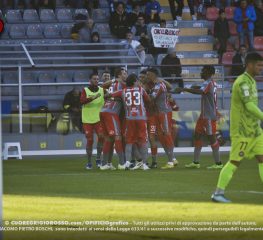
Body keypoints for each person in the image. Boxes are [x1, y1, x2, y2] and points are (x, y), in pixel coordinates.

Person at [211, 52, 263, 203]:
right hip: (242, 131)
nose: (261, 68)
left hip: (255, 131)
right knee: (235, 161)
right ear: (250, 65)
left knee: (262, 159)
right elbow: (250, 106)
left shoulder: (252, 81)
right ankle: (218, 193)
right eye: (259, 65)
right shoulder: (242, 82)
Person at [175, 65, 223, 170]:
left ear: (208, 72)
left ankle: (218, 163)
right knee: (197, 135)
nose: (201, 72)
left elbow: (201, 92)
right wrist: (195, 87)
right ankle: (196, 162)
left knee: (211, 138)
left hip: (209, 115)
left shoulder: (208, 83)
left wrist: (184, 88)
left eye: (203, 71)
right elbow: (202, 89)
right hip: (204, 115)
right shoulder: (211, 83)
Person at [110, 73, 151, 170]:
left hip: (129, 119)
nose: (138, 82)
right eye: (137, 80)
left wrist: (115, 99)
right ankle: (144, 164)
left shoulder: (123, 91)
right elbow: (148, 100)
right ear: (134, 81)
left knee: (129, 142)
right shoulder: (141, 90)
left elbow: (109, 95)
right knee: (143, 141)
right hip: (141, 118)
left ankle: (127, 163)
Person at [146, 67, 176, 169]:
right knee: (163, 136)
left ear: (153, 75)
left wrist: (142, 93)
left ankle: (171, 161)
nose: (147, 76)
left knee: (167, 134)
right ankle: (172, 159)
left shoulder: (158, 85)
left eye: (148, 74)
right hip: (159, 113)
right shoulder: (157, 85)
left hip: (164, 112)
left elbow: (151, 98)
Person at [100, 67, 127, 170]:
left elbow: (102, 86)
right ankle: (122, 163)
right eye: (124, 74)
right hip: (111, 112)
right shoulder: (123, 84)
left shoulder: (111, 84)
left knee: (108, 138)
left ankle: (104, 164)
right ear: (119, 75)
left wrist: (109, 96)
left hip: (103, 111)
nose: (126, 75)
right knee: (117, 137)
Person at [80, 73, 105, 170]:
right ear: (90, 80)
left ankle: (98, 158)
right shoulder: (85, 90)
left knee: (101, 137)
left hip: (98, 119)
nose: (96, 80)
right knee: (90, 140)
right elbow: (81, 101)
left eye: (98, 79)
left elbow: (108, 96)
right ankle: (89, 162)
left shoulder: (102, 90)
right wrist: (92, 98)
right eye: (94, 79)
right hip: (87, 120)